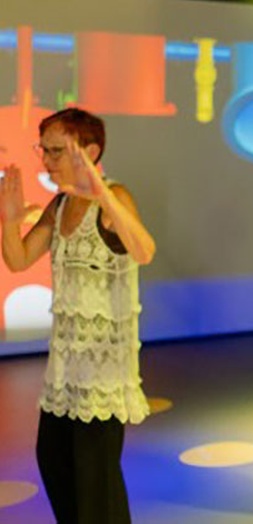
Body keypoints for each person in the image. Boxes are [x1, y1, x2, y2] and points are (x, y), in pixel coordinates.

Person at [0, 108, 156, 523]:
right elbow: (17, 260)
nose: (45, 160)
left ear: (90, 151)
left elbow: (144, 250)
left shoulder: (115, 198)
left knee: (96, 486)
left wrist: (101, 193)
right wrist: (9, 220)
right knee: (54, 462)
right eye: (43, 150)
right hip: (66, 372)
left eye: (55, 151)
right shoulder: (60, 204)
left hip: (102, 377)